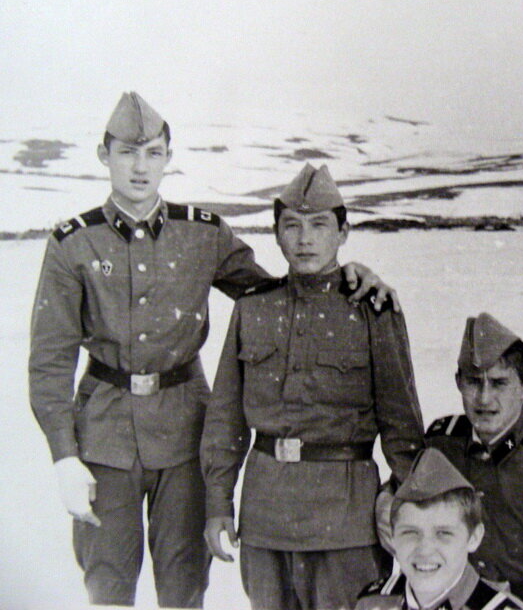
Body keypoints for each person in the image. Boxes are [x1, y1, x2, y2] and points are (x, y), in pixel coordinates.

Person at [28, 92, 395, 608]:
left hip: (185, 434)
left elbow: (278, 296)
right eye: (127, 153)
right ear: (103, 156)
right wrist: (64, 456)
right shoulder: (73, 244)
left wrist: (349, 277)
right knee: (106, 583)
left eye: (152, 153)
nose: (139, 167)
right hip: (103, 439)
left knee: (184, 586)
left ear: (168, 159)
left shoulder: (203, 234)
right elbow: (49, 364)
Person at [200, 162, 425, 610]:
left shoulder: (373, 310)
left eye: (320, 225)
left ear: (343, 233)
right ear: (277, 234)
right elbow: (226, 418)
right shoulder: (253, 310)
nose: (305, 239)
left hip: (345, 519)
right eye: (292, 226)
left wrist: (410, 511)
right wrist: (218, 502)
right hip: (265, 515)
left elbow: (402, 425)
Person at [380, 313, 523, 608]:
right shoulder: (442, 443)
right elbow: (399, 495)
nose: (484, 398)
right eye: (473, 382)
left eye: (499, 383)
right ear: (458, 383)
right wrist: (385, 499)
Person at [357, 448, 523, 610]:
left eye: (443, 533)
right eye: (410, 533)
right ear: (392, 536)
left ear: (474, 538)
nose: (425, 549)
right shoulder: (372, 604)